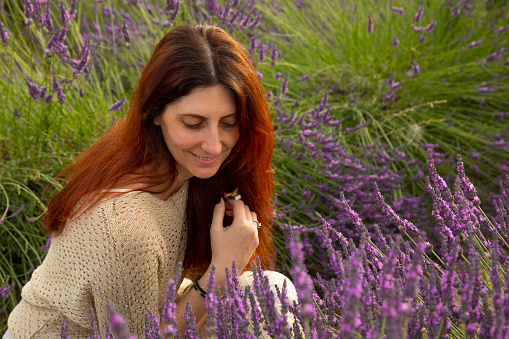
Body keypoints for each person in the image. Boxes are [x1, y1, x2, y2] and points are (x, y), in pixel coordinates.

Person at [5, 23, 297, 338]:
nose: (214, 145)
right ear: (155, 113)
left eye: (229, 123)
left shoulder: (172, 166)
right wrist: (221, 272)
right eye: (193, 124)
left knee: (273, 294)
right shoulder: (126, 228)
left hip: (142, 320)